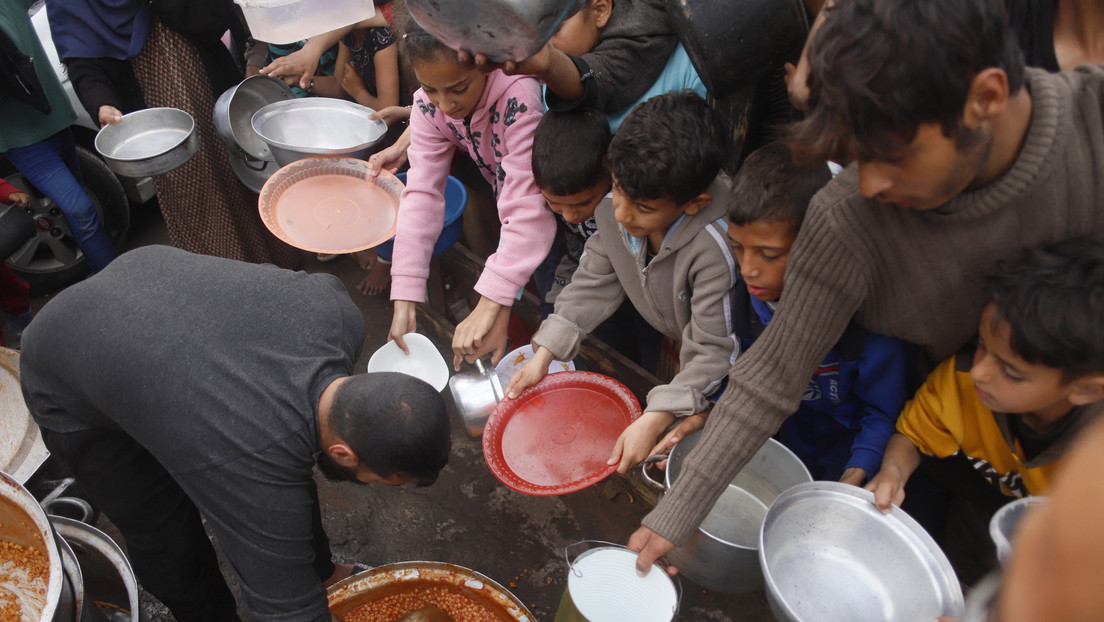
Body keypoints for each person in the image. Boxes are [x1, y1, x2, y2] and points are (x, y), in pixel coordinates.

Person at [629, 0, 1104, 576]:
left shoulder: (1091, 133)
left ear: (987, 97)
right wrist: (673, 517)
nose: (870, 185)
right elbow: (770, 378)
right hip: (922, 441)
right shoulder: (845, 218)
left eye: (893, 156)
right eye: (853, 158)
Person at [20, 245, 451, 622]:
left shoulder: (337, 313)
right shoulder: (249, 453)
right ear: (342, 453)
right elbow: (284, 607)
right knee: (166, 533)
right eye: (381, 479)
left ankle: (323, 572)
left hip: (143, 287)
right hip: (66, 368)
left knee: (286, 469)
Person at [506, 91, 738, 474]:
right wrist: (545, 353)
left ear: (694, 203)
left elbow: (715, 350)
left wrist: (654, 417)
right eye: (616, 191)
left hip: (727, 367)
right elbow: (595, 274)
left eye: (643, 208)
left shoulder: (714, 249)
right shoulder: (623, 201)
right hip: (681, 339)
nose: (621, 214)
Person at [658, 142, 914, 485]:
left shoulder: (871, 327)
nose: (748, 269)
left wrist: (855, 475)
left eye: (769, 254)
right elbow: (735, 379)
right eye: (738, 247)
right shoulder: (743, 304)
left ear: (819, 247)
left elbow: (882, 415)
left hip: (846, 450)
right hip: (774, 446)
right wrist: (706, 414)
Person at [865, 236, 1104, 581]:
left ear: (1084, 389)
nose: (980, 371)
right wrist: (893, 473)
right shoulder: (964, 383)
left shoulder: (1092, 452)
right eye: (981, 346)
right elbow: (914, 435)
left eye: (1011, 371)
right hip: (978, 518)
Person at [45, 0, 299, 269]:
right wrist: (101, 102)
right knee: (194, 197)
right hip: (160, 124)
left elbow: (216, 20)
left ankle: (282, 270)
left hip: (216, 91)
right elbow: (82, 58)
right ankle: (232, 287)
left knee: (247, 173)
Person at [388, 26, 555, 370]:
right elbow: (421, 192)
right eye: (430, 88)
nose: (446, 105)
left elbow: (528, 205)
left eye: (458, 88)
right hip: (511, 200)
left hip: (562, 210)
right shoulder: (427, 106)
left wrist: (492, 299)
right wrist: (405, 290)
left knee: (553, 297)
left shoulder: (520, 96)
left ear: (487, 63)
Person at [530, 107, 663, 370]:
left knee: (646, 362)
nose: (569, 216)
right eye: (555, 204)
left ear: (611, 178)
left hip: (647, 301)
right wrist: (551, 316)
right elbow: (566, 258)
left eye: (583, 203)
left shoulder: (625, 213)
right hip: (592, 292)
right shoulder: (564, 215)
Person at [0, 0, 118, 274]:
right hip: (23, 140)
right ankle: (115, 280)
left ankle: (106, 275)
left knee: (81, 209)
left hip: (57, 120)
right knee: (80, 210)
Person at [545, 0, 706, 132]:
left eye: (555, 29)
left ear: (599, 10)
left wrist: (550, 65)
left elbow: (594, 77)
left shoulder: (691, 65)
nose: (543, 45)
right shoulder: (550, 83)